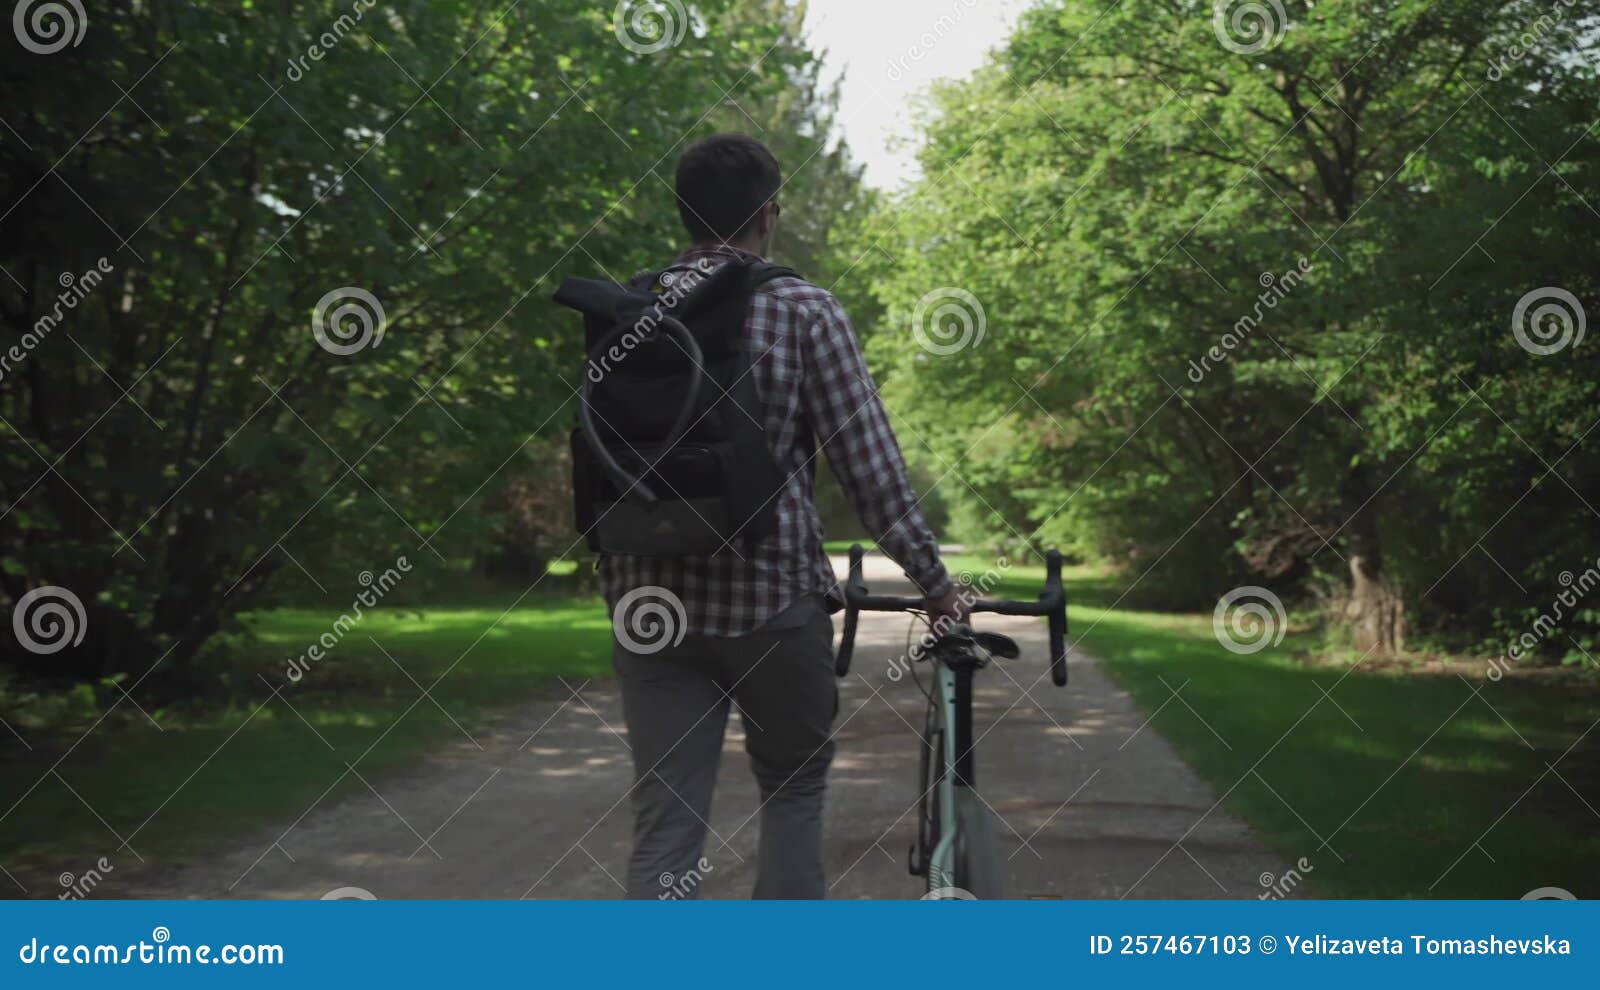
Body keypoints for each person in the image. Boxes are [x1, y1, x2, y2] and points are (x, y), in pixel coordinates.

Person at [606, 133, 966, 899]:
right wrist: (936, 586)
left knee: (666, 822)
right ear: (768, 215)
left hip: (649, 603)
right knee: (793, 790)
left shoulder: (628, 308)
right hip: (770, 600)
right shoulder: (804, 310)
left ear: (683, 213)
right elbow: (870, 470)